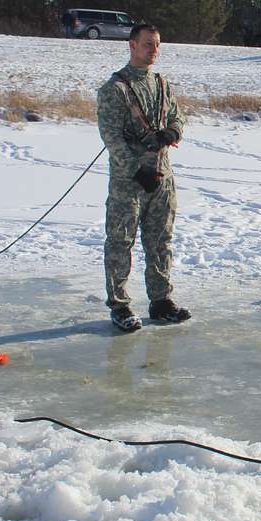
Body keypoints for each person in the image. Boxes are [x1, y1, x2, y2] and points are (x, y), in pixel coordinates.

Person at [96, 24, 191, 332]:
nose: (154, 50)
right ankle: (120, 304)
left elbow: (176, 116)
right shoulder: (114, 89)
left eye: (157, 45)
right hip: (129, 182)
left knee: (160, 241)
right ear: (133, 46)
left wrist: (172, 131)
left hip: (163, 179)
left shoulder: (162, 84)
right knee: (120, 242)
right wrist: (137, 172)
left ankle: (161, 300)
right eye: (148, 44)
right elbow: (111, 139)